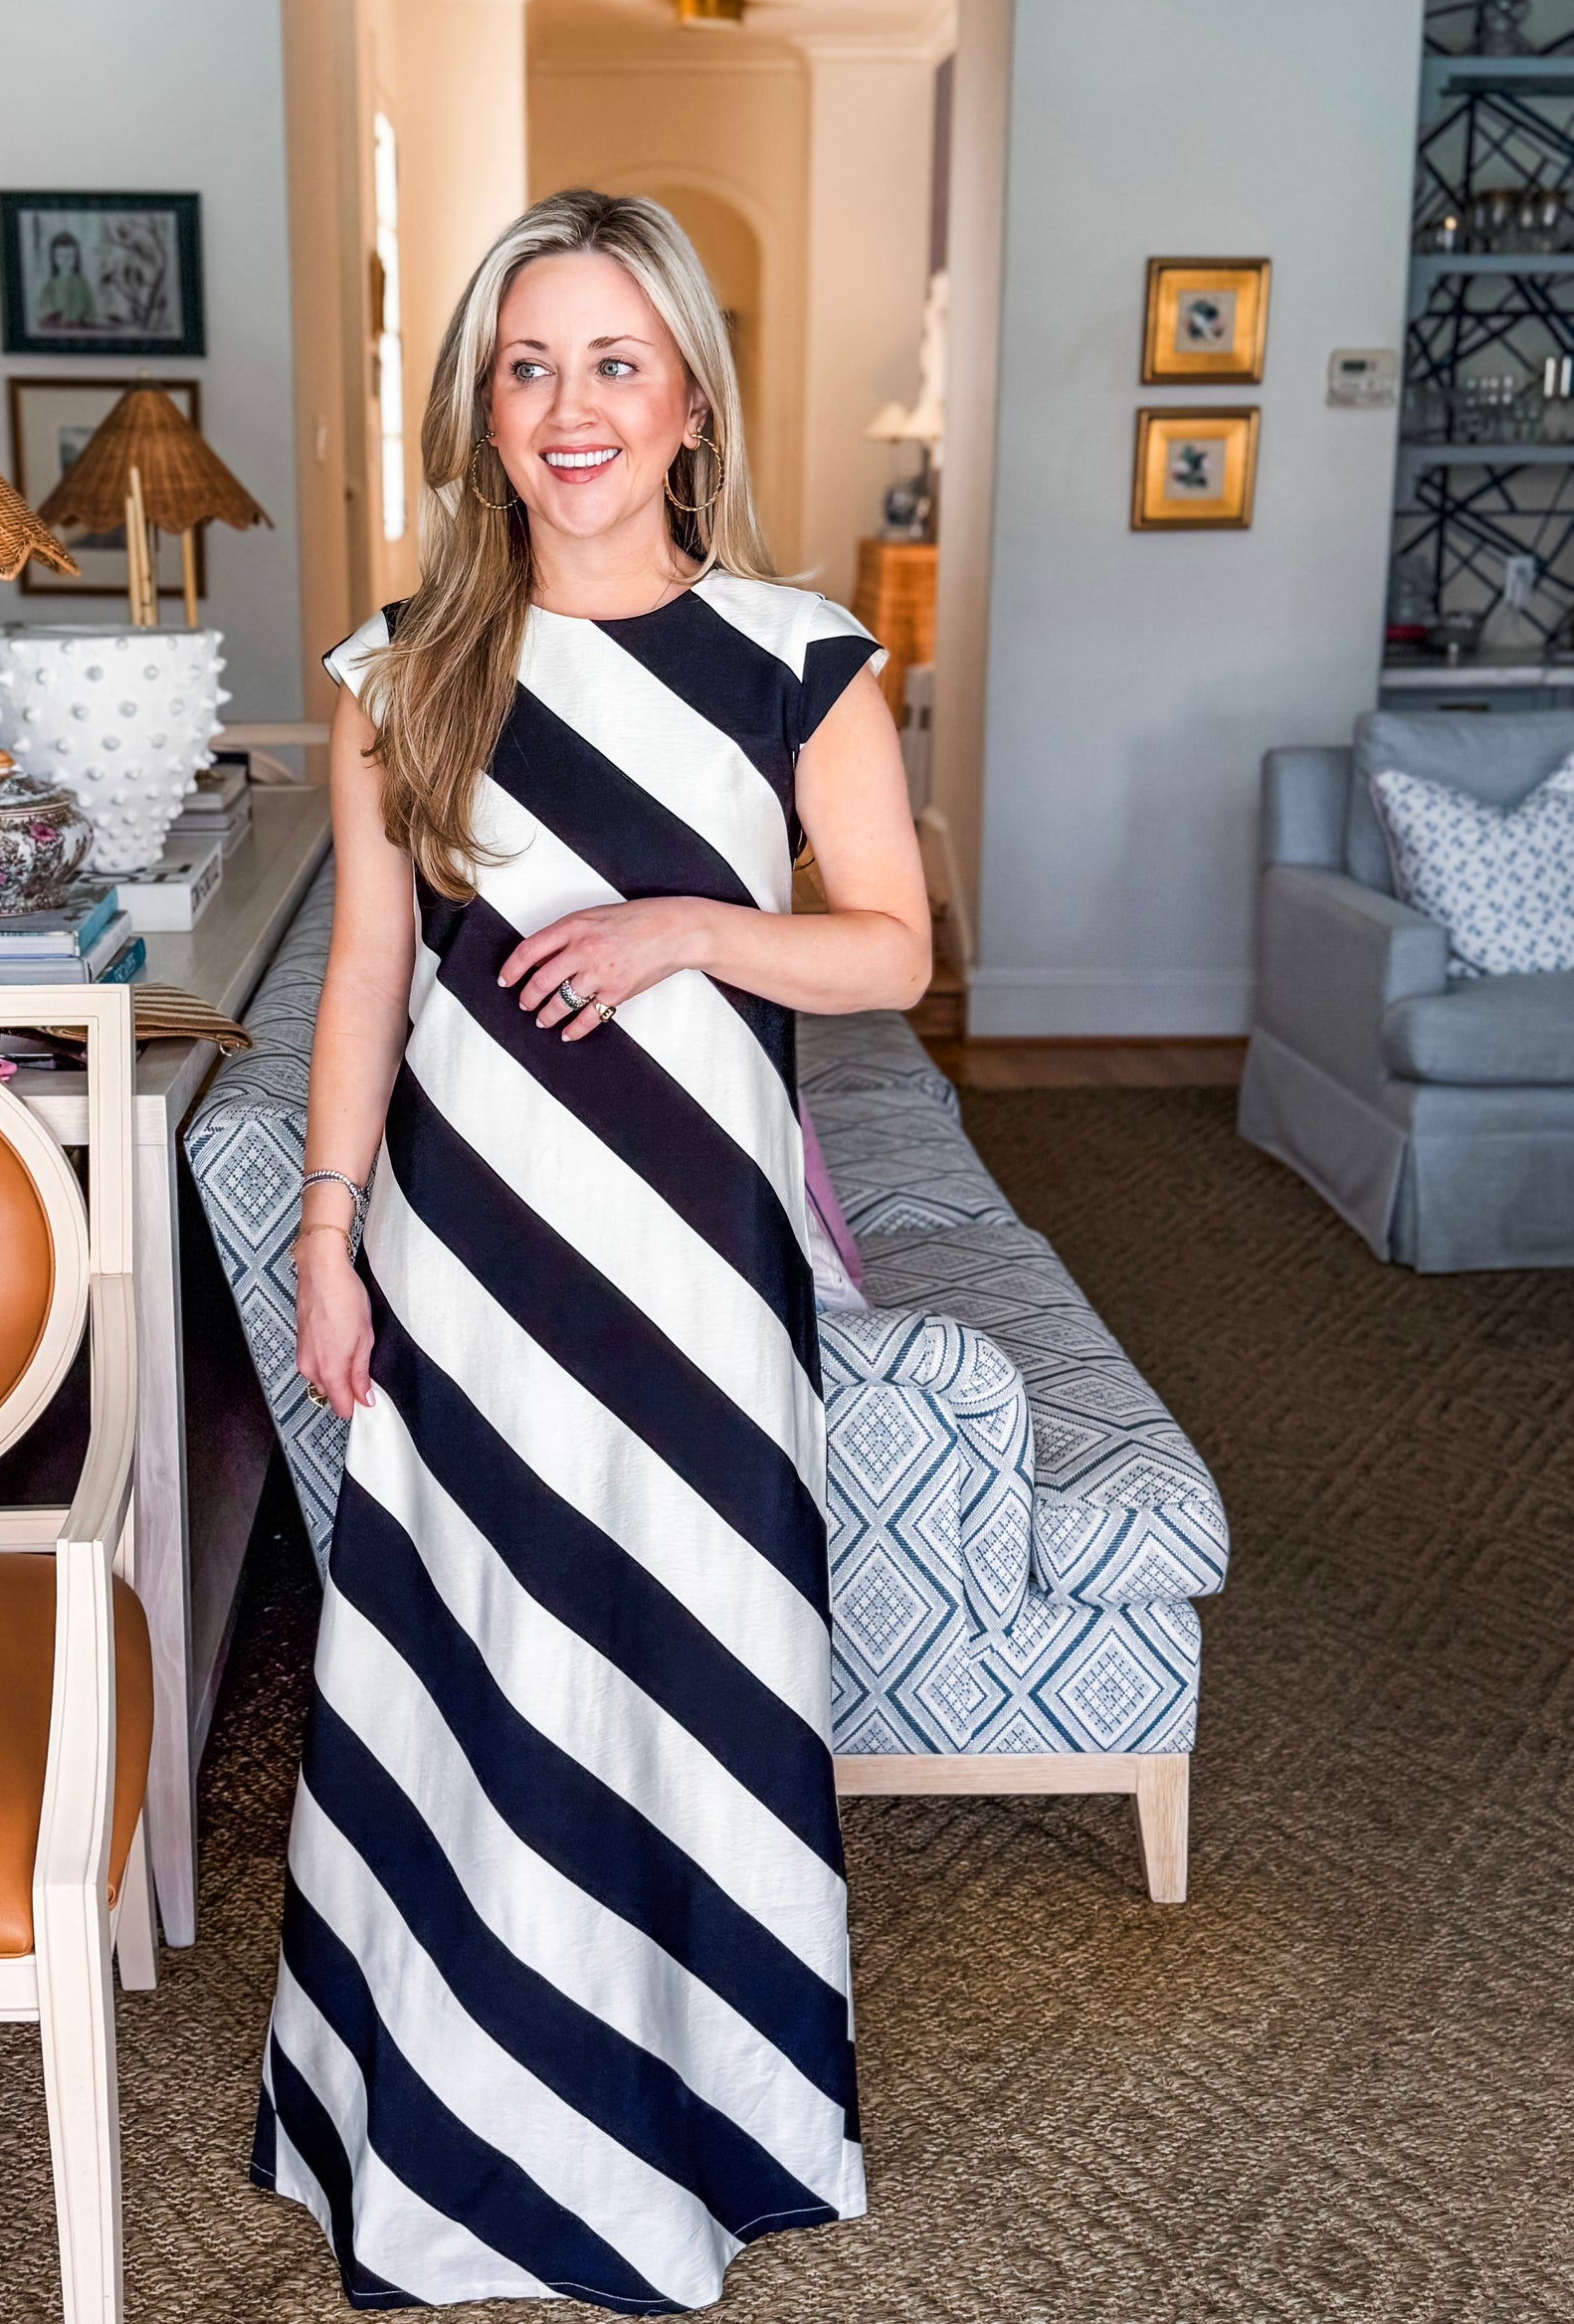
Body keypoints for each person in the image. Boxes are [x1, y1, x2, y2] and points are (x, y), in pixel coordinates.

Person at [260, 189, 930, 2309]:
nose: (572, 407)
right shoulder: (401, 671)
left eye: (615, 364)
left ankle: (694, 2121)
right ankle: (449, 2128)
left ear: (690, 404)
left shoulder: (798, 658)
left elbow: (894, 949)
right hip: (471, 1257)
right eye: (529, 365)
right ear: (483, 405)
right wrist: (328, 1241)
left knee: (689, 1655)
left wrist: (691, 930)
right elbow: (366, 976)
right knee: (482, 1661)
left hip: (700, 1267)